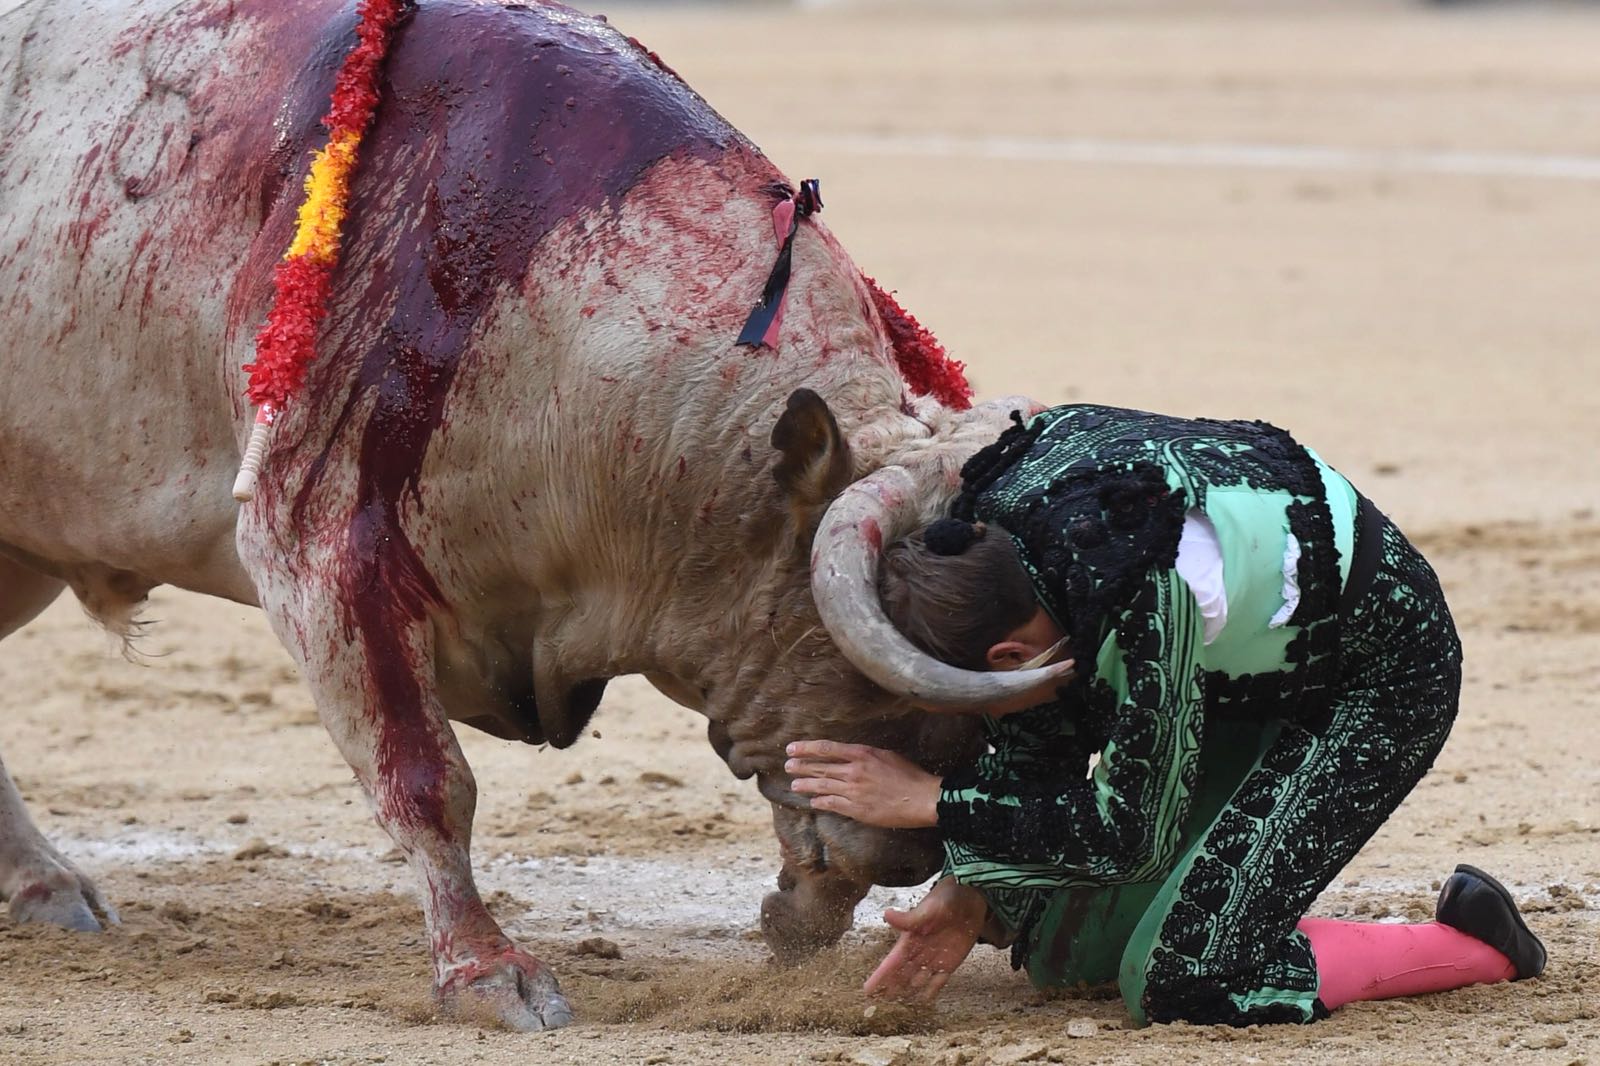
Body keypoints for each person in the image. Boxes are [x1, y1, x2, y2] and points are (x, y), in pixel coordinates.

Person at [785, 404, 1546, 1027]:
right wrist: (970, 886)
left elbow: (1131, 835)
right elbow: (1035, 732)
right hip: (1233, 672)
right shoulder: (989, 544)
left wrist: (938, 803)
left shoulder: (1138, 599)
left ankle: (1475, 943)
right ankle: (1243, 909)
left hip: (1375, 679)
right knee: (1069, 957)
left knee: (1190, 979)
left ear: (1009, 657)